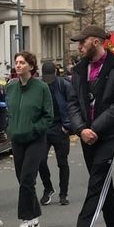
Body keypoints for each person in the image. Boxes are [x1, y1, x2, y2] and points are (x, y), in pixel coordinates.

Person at [64, 25, 114, 227]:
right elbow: (72, 102)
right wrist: (81, 129)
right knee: (102, 183)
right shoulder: (79, 70)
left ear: (95, 41)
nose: (79, 46)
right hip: (86, 135)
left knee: (96, 183)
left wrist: (95, 128)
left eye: (82, 42)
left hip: (107, 134)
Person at [5, 52, 53, 227]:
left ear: (31, 67)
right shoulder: (11, 88)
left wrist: (35, 129)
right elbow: (8, 111)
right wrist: (9, 128)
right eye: (16, 62)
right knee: (22, 179)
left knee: (27, 179)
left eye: (22, 63)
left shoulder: (41, 88)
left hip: (35, 139)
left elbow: (49, 115)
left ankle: (26, 219)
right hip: (17, 139)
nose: (18, 65)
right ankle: (35, 215)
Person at [37, 60, 73, 207]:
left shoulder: (64, 85)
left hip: (60, 128)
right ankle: (48, 189)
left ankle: (63, 194)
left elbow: (72, 105)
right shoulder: (39, 86)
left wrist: (67, 126)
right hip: (45, 129)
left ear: (56, 73)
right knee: (40, 160)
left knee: (62, 163)